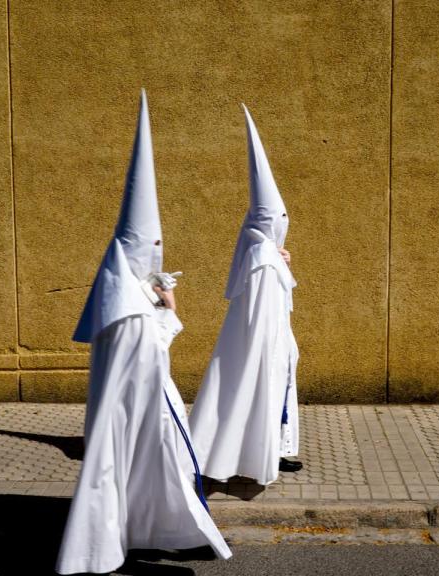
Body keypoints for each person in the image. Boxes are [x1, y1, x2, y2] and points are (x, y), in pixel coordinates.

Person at [55, 90, 231, 575]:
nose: (156, 260)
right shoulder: (127, 305)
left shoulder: (124, 293)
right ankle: (103, 553)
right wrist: (169, 313)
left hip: (141, 404)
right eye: (151, 251)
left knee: (156, 471)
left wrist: (162, 307)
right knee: (133, 471)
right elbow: (151, 355)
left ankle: (161, 533)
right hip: (139, 406)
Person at [189, 104, 301, 486]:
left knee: (266, 397)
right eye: (278, 222)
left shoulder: (267, 254)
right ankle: (246, 458)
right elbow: (263, 310)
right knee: (248, 397)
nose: (283, 228)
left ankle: (274, 450)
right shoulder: (262, 257)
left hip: (274, 343)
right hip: (261, 345)